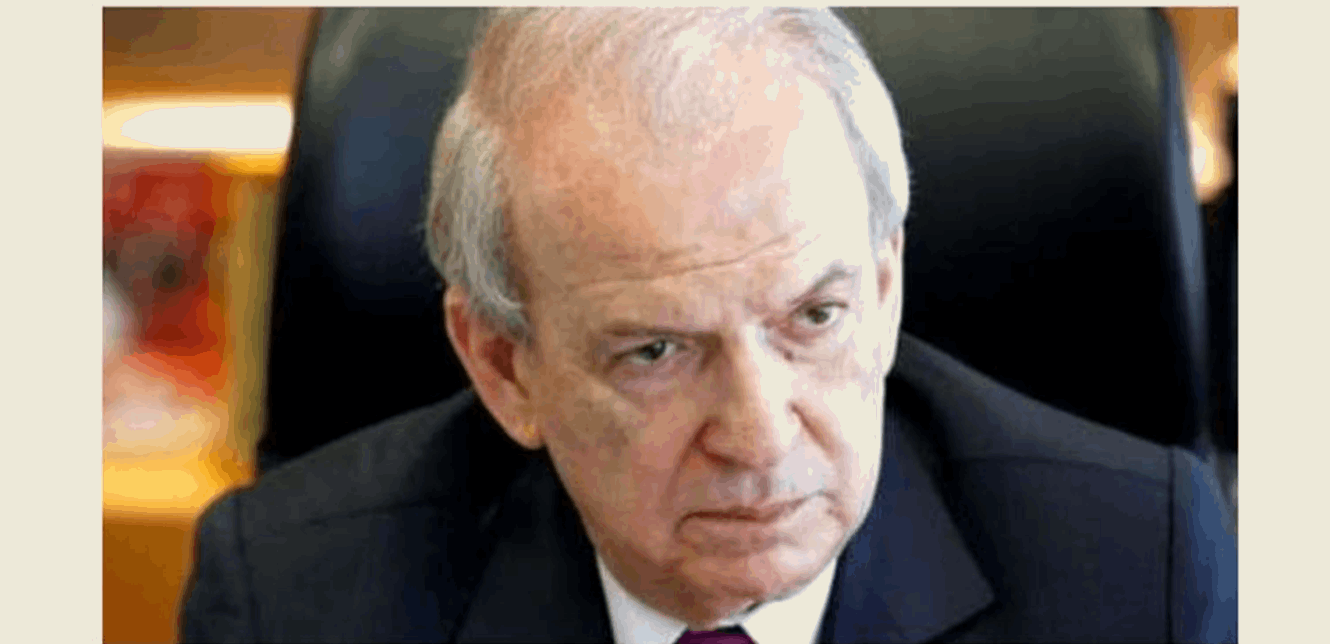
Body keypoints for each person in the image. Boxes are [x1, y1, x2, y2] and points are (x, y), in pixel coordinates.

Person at [181, 8, 1236, 643]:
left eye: (813, 316)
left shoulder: (1132, 568)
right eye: (656, 350)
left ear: (884, 289)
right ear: (503, 366)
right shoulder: (291, 599)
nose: (760, 434)